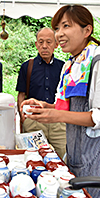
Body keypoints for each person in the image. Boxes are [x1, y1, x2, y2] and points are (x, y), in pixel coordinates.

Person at [20, 5, 100, 198]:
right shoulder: (72, 65)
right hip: (79, 157)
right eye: (57, 28)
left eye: (66, 26)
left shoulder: (99, 63)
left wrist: (57, 116)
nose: (59, 34)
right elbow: (68, 109)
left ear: (87, 30)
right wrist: (45, 106)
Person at [16, 27, 66, 157]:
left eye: (49, 42)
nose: (44, 46)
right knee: (33, 157)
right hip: (34, 120)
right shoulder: (27, 66)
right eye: (41, 42)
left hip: (58, 121)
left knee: (62, 158)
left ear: (56, 45)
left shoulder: (64, 67)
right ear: (36, 44)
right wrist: (23, 117)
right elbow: (21, 94)